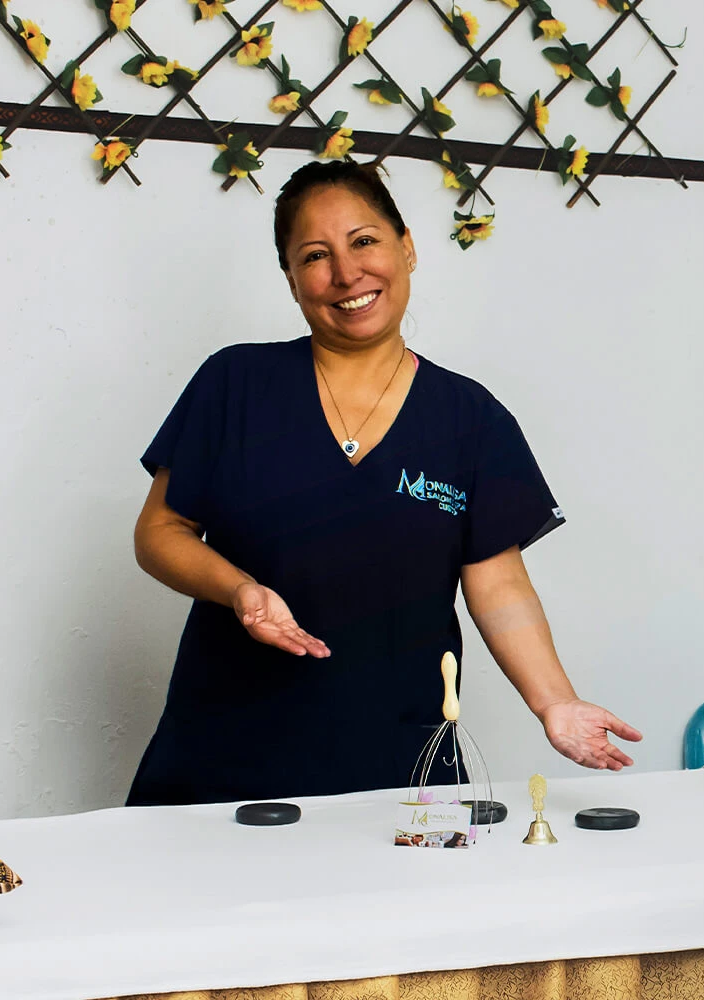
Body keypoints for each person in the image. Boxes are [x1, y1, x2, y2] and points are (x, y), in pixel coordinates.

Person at [128, 160, 639, 806]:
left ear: (407, 248)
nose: (346, 274)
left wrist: (555, 702)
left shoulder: (471, 419)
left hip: (399, 770)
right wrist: (239, 590)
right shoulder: (234, 384)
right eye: (316, 256)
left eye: (364, 241)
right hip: (221, 758)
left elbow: (499, 584)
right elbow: (159, 532)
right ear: (291, 280)